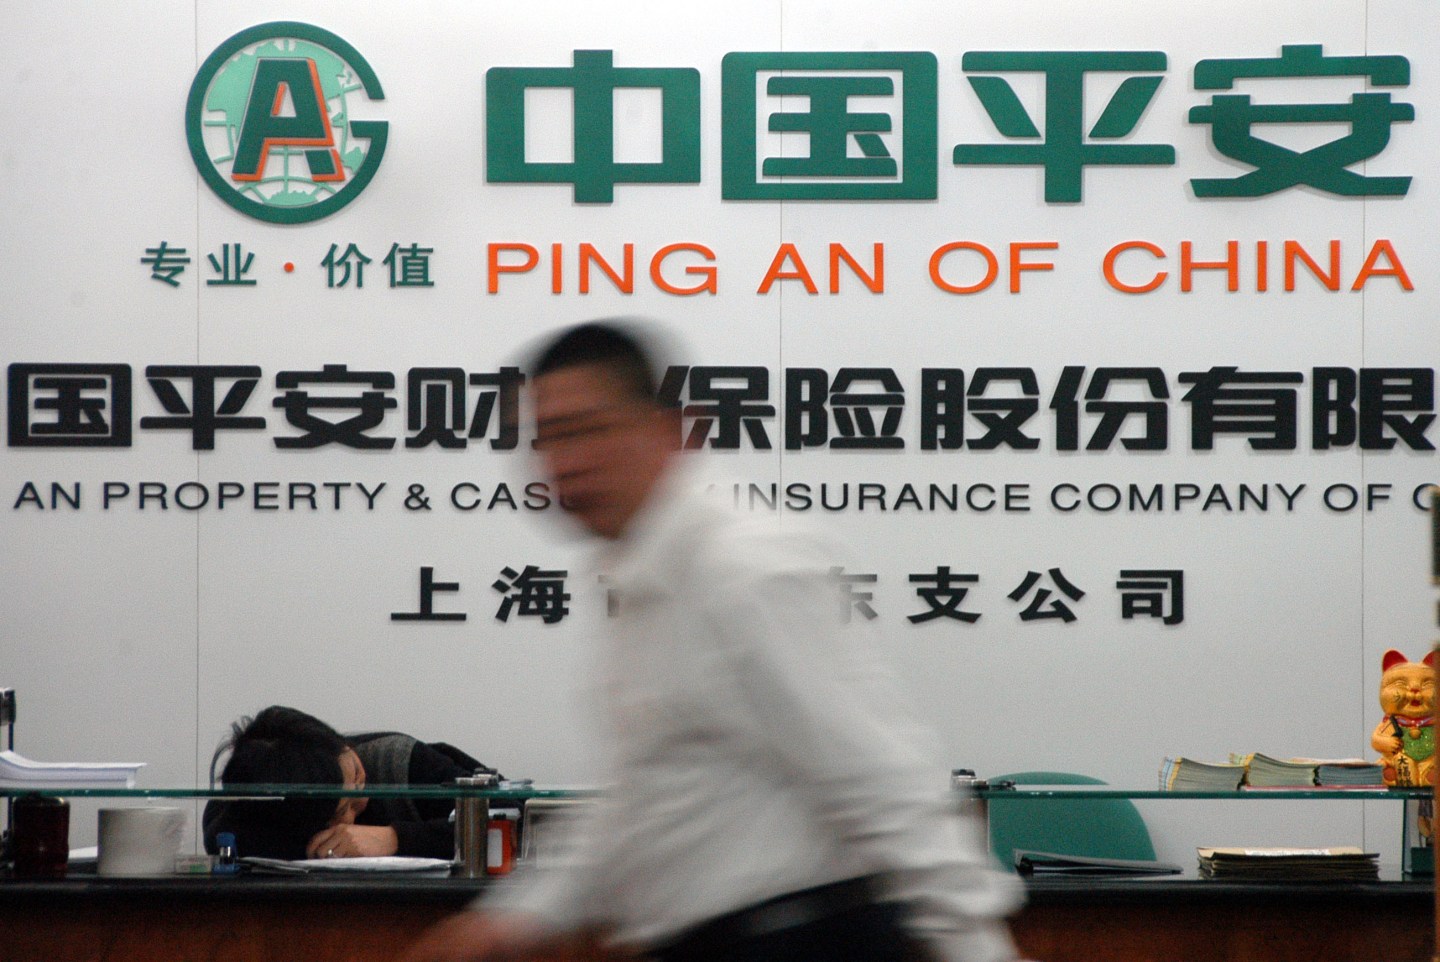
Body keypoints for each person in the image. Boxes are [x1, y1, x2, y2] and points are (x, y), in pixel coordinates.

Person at [404, 321, 1021, 962]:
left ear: (673, 431)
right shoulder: (638, 579)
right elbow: (643, 797)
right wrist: (518, 918)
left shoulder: (745, 567)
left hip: (803, 941)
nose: (565, 462)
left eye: (588, 430)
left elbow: (883, 781)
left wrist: (978, 950)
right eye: (546, 438)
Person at [203, 705, 503, 861]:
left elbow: (512, 821)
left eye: (357, 775)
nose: (364, 798)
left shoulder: (397, 762)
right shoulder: (254, 804)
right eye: (344, 808)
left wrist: (395, 839)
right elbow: (220, 836)